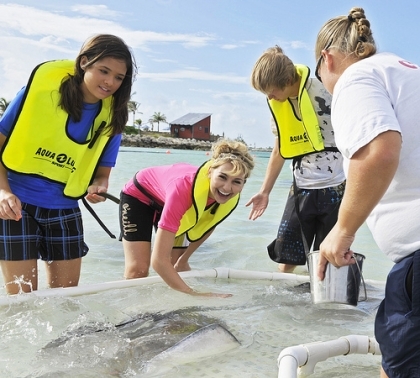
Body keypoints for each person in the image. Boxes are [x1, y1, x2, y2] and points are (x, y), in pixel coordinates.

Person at [314, 7, 420, 378]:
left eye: (319, 76)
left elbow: (379, 151)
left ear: (326, 58)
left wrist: (342, 230)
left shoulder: (355, 79)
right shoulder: (407, 72)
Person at [0, 34, 137, 295]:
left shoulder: (113, 116)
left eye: (119, 77)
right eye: (103, 71)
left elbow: (101, 175)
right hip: (16, 206)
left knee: (65, 301)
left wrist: (98, 187)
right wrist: (3, 191)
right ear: (84, 62)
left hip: (64, 209)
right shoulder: (39, 91)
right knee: (22, 302)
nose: (110, 82)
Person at [246, 46, 345, 273]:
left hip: (337, 188)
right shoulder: (277, 105)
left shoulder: (326, 90)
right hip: (301, 189)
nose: (269, 98)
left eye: (271, 91)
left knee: (327, 260)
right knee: (287, 257)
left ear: (289, 79)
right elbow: (280, 148)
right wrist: (264, 191)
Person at [119, 139, 255, 297]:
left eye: (236, 182)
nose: (226, 188)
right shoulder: (183, 189)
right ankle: (132, 311)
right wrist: (195, 294)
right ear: (210, 171)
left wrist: (183, 260)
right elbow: (158, 261)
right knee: (138, 270)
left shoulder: (229, 196)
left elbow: (207, 225)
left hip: (171, 201)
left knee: (175, 266)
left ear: (243, 183)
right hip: (140, 197)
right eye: (222, 177)